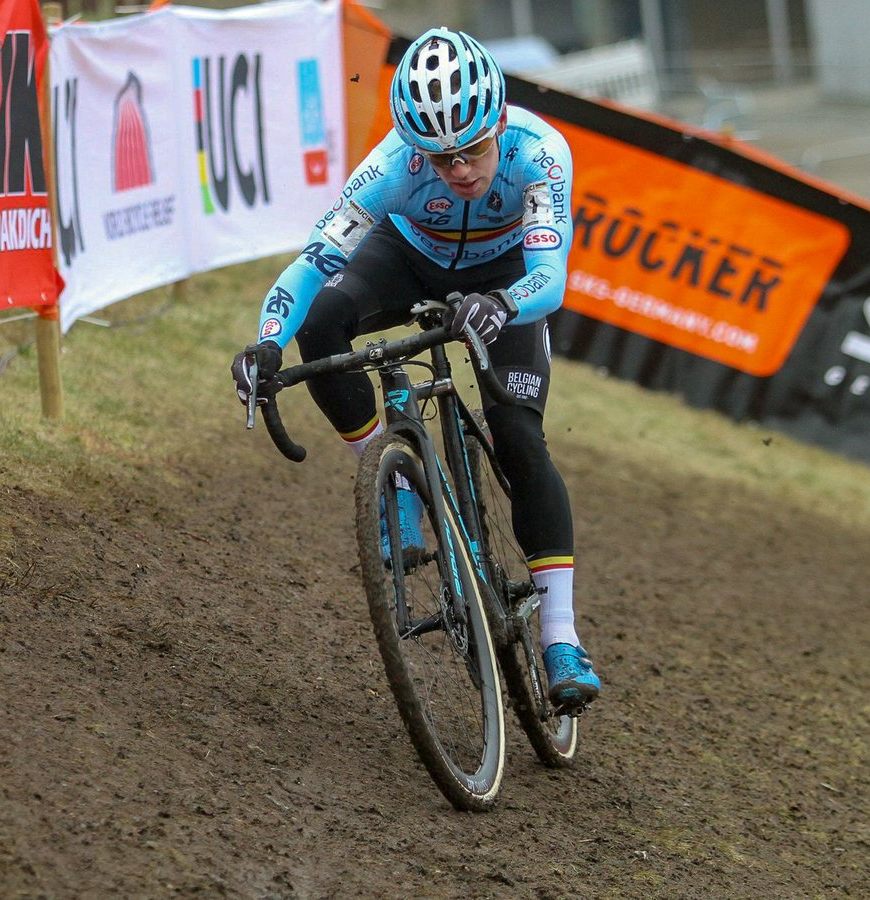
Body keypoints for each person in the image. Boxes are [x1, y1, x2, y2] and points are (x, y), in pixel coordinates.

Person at [230, 27, 601, 709]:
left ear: (497, 126)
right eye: (439, 156)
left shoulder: (539, 151)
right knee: (321, 326)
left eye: (471, 149)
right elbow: (315, 260)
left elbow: (549, 277)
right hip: (411, 257)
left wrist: (501, 302)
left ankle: (559, 636)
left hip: (508, 271)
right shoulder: (390, 169)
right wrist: (267, 341)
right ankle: (392, 482)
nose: (458, 169)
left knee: (518, 436)